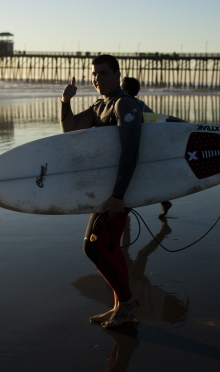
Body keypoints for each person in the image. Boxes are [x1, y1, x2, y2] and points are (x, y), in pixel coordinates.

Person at [60, 54, 140, 329]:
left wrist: (119, 196)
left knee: (95, 247)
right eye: (94, 74)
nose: (97, 78)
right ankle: (120, 305)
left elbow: (131, 152)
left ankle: (127, 304)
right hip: (106, 190)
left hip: (120, 190)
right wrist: (65, 102)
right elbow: (69, 129)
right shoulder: (99, 106)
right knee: (106, 246)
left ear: (118, 75)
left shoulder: (124, 104)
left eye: (104, 73)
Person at [120, 76, 173, 218]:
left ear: (127, 89)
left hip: (135, 146)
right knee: (145, 176)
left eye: (122, 86)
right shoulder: (141, 104)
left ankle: (125, 208)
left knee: (131, 176)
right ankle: (164, 201)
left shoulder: (125, 104)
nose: (119, 87)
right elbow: (154, 120)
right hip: (143, 145)